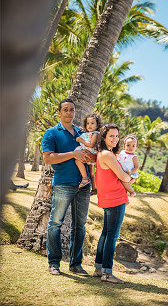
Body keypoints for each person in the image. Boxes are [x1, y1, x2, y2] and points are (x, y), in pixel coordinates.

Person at [42, 98, 96, 276]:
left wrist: (88, 157)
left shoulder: (82, 132)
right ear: (59, 112)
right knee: (55, 223)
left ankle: (75, 264)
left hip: (83, 185)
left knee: (79, 226)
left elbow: (94, 156)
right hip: (63, 183)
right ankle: (54, 263)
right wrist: (73, 154)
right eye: (65, 109)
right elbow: (48, 159)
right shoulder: (51, 133)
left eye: (72, 110)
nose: (69, 113)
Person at [92, 124, 135, 284]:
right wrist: (131, 178)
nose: (115, 139)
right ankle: (107, 273)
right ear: (103, 138)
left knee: (106, 234)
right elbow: (123, 176)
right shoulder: (107, 154)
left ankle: (99, 269)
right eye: (111, 136)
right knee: (112, 236)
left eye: (117, 136)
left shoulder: (102, 153)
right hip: (115, 198)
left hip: (109, 198)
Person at [73, 113, 102, 189]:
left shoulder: (95, 134)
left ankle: (85, 178)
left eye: (92, 123)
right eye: (87, 123)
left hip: (90, 152)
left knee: (77, 160)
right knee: (91, 172)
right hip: (88, 151)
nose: (89, 125)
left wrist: (81, 140)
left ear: (97, 125)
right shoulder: (88, 133)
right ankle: (94, 188)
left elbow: (91, 145)